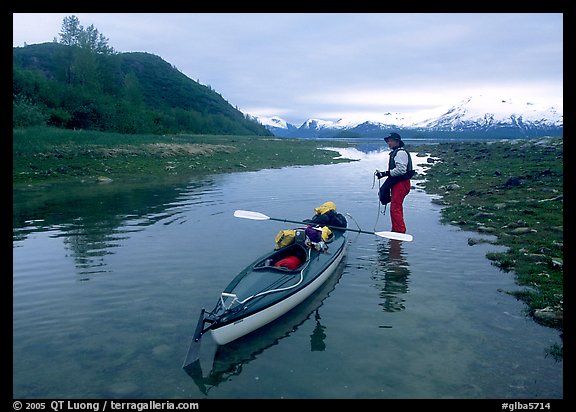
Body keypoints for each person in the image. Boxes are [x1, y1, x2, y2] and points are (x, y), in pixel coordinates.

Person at [375, 132, 414, 234]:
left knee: (395, 208)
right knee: (395, 207)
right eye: (388, 141)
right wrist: (384, 174)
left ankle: (399, 231)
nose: (389, 143)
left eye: (391, 140)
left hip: (401, 184)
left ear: (397, 141)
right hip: (398, 183)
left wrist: (385, 173)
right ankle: (397, 230)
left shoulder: (400, 153)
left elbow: (401, 170)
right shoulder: (397, 152)